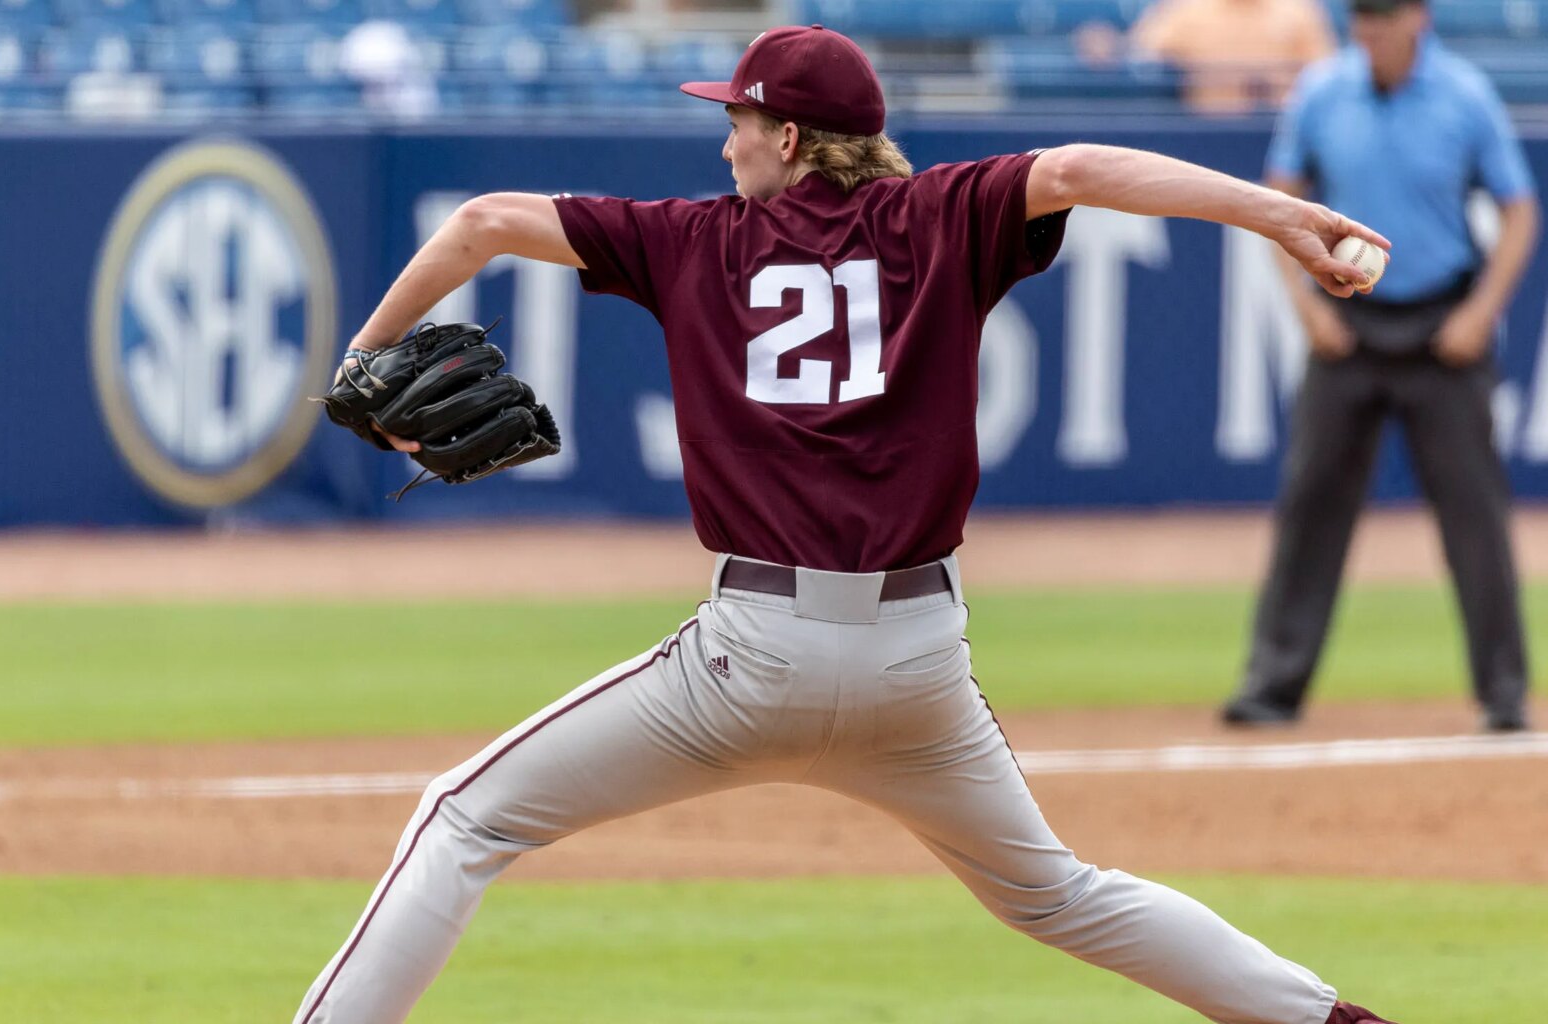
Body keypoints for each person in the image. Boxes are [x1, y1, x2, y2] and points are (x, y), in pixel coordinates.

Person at [297, 24, 1399, 1024]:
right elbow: (1075, 170)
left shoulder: (693, 240)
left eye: (737, 120)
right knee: (1058, 894)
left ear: (788, 136)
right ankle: (1333, 1021)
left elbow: (481, 222)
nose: (726, 141)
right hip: (919, 666)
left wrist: (363, 357)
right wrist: (1283, 216)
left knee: (464, 818)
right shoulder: (943, 217)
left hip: (749, 660)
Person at [1223, 0, 1539, 734]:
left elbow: (1519, 211)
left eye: (1383, 18)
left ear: (1418, 18)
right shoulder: (1322, 91)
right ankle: (1272, 686)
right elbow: (1278, 200)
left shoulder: (1465, 95)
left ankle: (1503, 694)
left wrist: (1481, 312)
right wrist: (1307, 311)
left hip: (1443, 327)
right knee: (1311, 505)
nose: (1369, 32)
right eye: (1360, 19)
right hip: (1348, 326)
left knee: (1475, 514)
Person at [1127, 0, 1337, 113]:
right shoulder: (1185, 10)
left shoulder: (1298, 10)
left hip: (1279, 131)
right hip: (1207, 132)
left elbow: (1324, 72)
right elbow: (1142, 54)